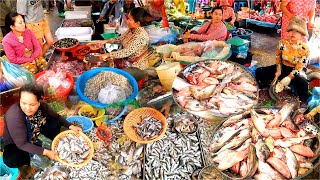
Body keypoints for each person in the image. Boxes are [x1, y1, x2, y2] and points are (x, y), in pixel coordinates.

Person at [2, 84, 82, 178]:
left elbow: (56, 116)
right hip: (17, 142)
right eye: (23, 103)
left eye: (32, 104)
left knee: (55, 123)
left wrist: (70, 126)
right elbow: (21, 144)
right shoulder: (14, 116)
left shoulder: (43, 106)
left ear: (39, 102)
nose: (27, 108)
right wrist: (47, 152)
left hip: (34, 131)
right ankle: (28, 162)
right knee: (12, 159)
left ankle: (44, 143)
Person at [255, 16, 310, 101]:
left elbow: (299, 67)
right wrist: (278, 69)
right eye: (291, 30)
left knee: (303, 83)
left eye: (297, 31)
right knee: (259, 71)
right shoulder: (282, 43)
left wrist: (289, 78)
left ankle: (302, 102)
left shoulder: (305, 49)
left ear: (302, 35)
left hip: (295, 71)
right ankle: (268, 87)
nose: (293, 33)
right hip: (282, 67)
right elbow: (278, 57)